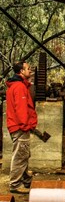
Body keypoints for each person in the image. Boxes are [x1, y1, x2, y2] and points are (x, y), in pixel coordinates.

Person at [6, 61, 37, 194]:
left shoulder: (19, 86)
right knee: (20, 156)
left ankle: (26, 179)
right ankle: (15, 184)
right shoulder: (19, 87)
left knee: (23, 154)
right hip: (20, 127)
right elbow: (21, 109)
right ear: (21, 72)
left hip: (18, 126)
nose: (30, 71)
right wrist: (26, 126)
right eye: (28, 69)